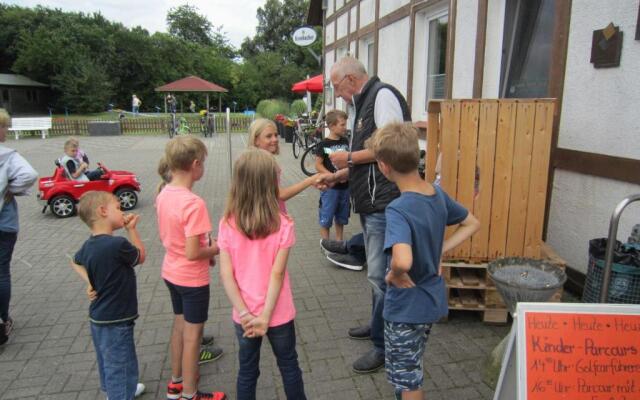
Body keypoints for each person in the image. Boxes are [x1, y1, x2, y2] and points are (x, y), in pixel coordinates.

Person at [368, 122, 480, 399]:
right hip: (430, 301)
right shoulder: (435, 193)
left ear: (384, 167)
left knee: (408, 381)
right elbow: (471, 223)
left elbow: (403, 261)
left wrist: (394, 274)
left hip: (406, 307)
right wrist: (439, 249)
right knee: (413, 365)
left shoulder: (398, 209)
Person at [324, 55, 412, 373]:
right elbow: (369, 158)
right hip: (372, 201)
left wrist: (348, 157)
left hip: (384, 203)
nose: (336, 94)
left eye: (336, 86)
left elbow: (390, 149)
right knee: (376, 275)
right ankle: (377, 329)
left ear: (350, 79)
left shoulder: (382, 96)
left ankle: (383, 346)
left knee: (380, 275)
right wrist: (342, 174)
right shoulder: (363, 102)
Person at [218, 149, 306, 400]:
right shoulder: (283, 224)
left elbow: (226, 274)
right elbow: (276, 274)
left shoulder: (227, 223)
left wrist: (246, 314)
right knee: (289, 366)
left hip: (243, 315)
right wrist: (265, 316)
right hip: (277, 314)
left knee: (247, 371)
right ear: (271, 184)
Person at [155, 136, 227, 400]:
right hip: (191, 279)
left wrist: (204, 245)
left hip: (170, 272)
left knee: (179, 326)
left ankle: (176, 383)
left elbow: (185, 239)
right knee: (193, 337)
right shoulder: (193, 203)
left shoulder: (164, 193)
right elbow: (194, 251)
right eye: (204, 162)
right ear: (195, 164)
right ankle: (190, 393)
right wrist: (216, 248)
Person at [70, 191, 147, 399]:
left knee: (110, 359)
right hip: (116, 318)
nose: (122, 211)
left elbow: (75, 262)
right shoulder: (117, 245)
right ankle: (120, 393)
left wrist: (89, 283)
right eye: (118, 207)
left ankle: (122, 389)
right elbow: (140, 256)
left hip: (99, 317)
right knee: (119, 361)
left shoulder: (89, 244)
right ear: (103, 211)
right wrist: (132, 230)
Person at [0, 108, 38, 345]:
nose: (6, 130)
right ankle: (3, 319)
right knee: (1, 270)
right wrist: (9, 191)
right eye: (4, 126)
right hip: (4, 222)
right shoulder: (7, 156)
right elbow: (29, 174)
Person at [247, 118, 329, 213]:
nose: (275, 139)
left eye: (276, 135)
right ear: (256, 140)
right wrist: (310, 180)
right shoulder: (260, 163)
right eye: (269, 136)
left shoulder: (260, 159)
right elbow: (280, 194)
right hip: (267, 215)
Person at [315, 109, 350, 242]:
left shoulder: (345, 141)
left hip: (345, 187)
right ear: (331, 126)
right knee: (326, 216)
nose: (345, 127)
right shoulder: (324, 144)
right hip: (330, 189)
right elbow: (318, 165)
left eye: (345, 124)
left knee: (341, 217)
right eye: (342, 124)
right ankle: (326, 243)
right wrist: (333, 177)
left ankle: (339, 242)